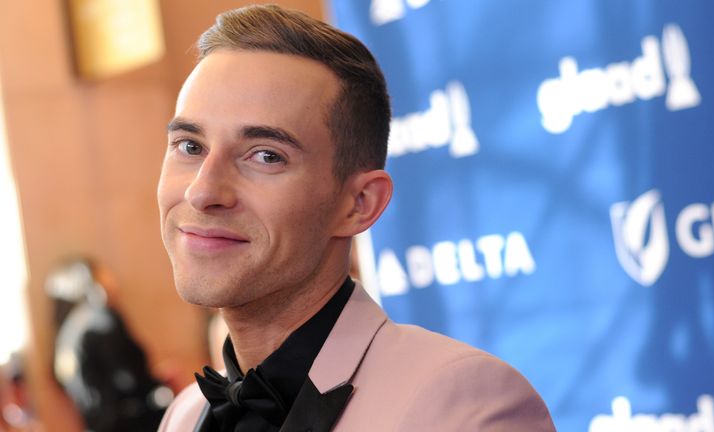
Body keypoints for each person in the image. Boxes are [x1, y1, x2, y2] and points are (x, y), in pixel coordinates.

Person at [157, 4, 556, 431]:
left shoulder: (464, 403)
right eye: (190, 146)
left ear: (360, 203)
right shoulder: (183, 415)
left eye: (266, 156)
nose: (202, 191)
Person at [49, 259, 171, 431]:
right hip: (129, 421)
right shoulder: (101, 320)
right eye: (104, 275)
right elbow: (127, 379)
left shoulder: (67, 332)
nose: (113, 281)